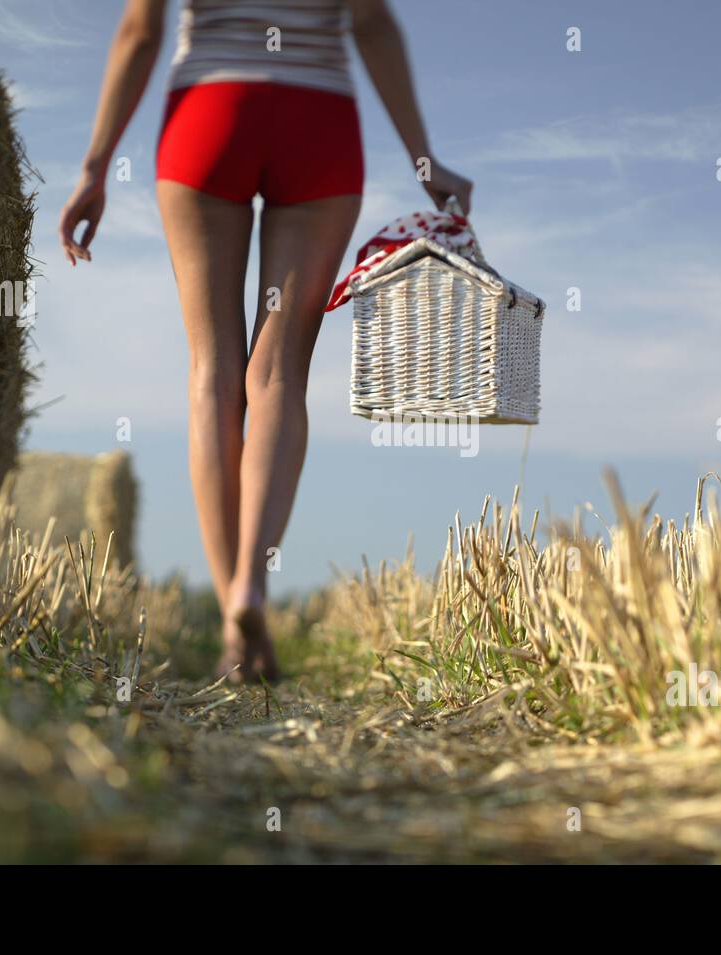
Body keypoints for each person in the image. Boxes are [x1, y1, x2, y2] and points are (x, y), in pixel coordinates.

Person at [59, 0, 472, 682]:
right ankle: (254, 576)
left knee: (212, 370)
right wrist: (425, 162)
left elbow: (140, 30)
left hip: (209, 112)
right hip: (320, 120)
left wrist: (95, 167)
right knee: (278, 372)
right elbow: (371, 22)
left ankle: (231, 612)